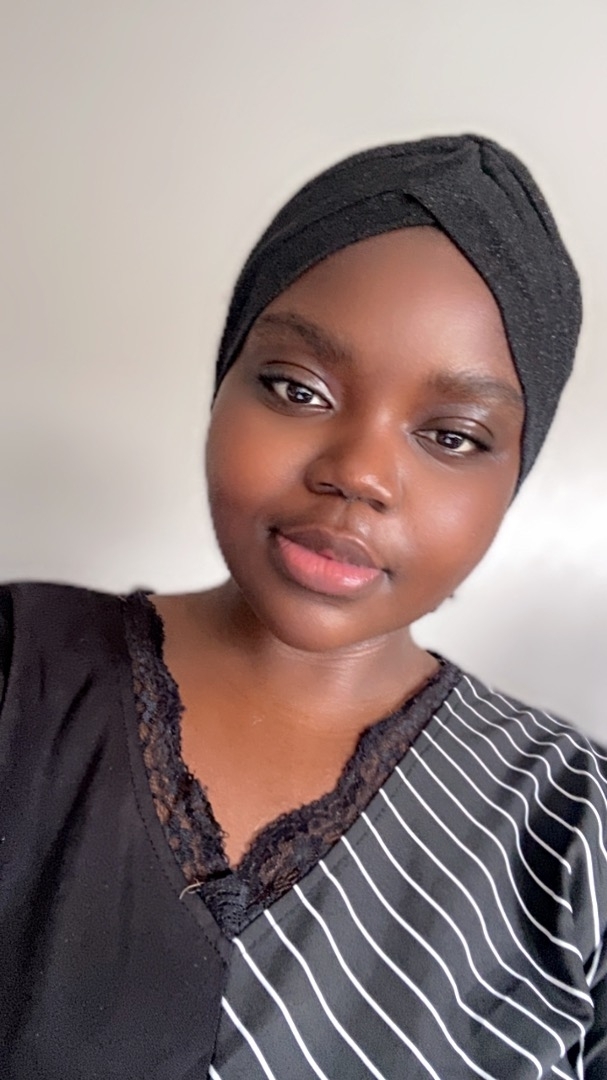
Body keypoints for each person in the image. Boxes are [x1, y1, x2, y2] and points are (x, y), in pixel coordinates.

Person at [0, 134, 605, 1080]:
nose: (358, 473)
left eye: (451, 436)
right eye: (298, 388)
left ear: (512, 479)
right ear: (223, 386)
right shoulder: (19, 672)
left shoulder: (573, 827)